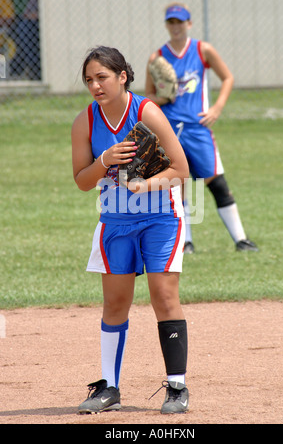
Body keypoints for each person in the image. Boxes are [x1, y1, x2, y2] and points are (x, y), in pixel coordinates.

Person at [71, 46, 190, 414]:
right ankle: (109, 387)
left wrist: (144, 184)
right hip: (116, 221)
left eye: (102, 77)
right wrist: (104, 160)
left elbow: (180, 169)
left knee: (163, 295)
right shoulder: (85, 121)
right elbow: (82, 181)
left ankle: (177, 387)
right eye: (89, 79)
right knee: (115, 303)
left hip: (160, 218)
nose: (95, 85)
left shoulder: (146, 112)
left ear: (123, 77)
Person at [145, 3, 258, 254]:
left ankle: (241, 240)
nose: (176, 27)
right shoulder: (157, 57)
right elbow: (148, 96)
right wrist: (162, 98)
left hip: (198, 127)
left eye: (180, 22)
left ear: (189, 24)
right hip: (170, 129)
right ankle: (185, 243)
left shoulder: (202, 50)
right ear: (166, 25)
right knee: (178, 183)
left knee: (215, 180)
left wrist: (216, 108)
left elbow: (227, 77)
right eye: (171, 22)